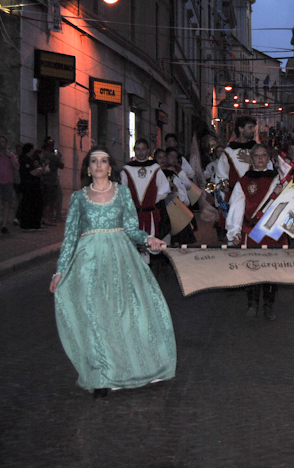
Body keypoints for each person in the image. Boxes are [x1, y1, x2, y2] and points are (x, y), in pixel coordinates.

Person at [49, 146, 176, 399]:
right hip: (88, 263)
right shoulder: (78, 198)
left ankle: (130, 366)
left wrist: (149, 238)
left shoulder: (123, 193)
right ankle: (101, 375)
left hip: (121, 259)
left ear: (110, 167)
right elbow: (70, 237)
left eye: (103, 161)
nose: (99, 165)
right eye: (94, 161)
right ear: (88, 168)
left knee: (124, 313)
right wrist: (60, 271)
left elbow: (131, 228)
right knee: (95, 315)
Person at [225, 144, 287, 320]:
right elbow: (237, 207)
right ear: (251, 159)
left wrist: (281, 193)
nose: (260, 158)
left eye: (263, 155)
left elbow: (288, 205)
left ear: (268, 158)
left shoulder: (279, 180)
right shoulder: (244, 181)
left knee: (271, 270)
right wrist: (235, 232)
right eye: (257, 155)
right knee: (252, 269)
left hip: (273, 232)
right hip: (252, 233)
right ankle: (252, 304)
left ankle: (269, 306)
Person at [120, 138, 170, 244]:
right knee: (133, 243)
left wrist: (151, 200)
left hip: (150, 213)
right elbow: (123, 191)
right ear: (134, 150)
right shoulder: (127, 169)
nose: (141, 152)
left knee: (150, 243)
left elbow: (164, 189)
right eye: (138, 149)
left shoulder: (155, 168)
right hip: (133, 214)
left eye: (143, 149)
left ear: (148, 150)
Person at [18, 143, 44, 231]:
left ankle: (35, 224)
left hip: (35, 186)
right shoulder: (24, 160)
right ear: (30, 150)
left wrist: (39, 170)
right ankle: (27, 224)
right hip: (28, 186)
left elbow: (39, 171)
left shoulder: (31, 160)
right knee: (28, 205)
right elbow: (34, 172)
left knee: (36, 205)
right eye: (32, 149)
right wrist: (39, 170)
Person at [41, 137, 64, 226]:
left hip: (42, 179)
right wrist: (59, 157)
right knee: (51, 200)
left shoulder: (42, 155)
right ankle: (48, 218)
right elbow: (62, 165)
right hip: (51, 180)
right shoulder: (53, 157)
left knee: (45, 200)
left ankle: (44, 218)